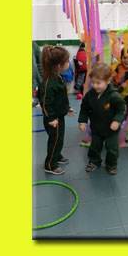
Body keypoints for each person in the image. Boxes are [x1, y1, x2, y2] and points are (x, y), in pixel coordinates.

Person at [78, 62, 126, 175]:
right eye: (93, 82)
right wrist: (82, 121)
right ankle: (94, 161)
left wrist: (117, 120)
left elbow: (121, 110)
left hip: (111, 131)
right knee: (94, 147)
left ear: (108, 81)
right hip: (96, 128)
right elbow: (84, 108)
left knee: (112, 149)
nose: (95, 86)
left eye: (98, 83)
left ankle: (111, 164)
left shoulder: (114, 96)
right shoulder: (90, 95)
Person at [38, 46, 75, 175]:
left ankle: (57, 155)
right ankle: (50, 165)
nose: (69, 63)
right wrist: (51, 118)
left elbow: (60, 98)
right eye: (67, 61)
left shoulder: (58, 77)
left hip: (59, 116)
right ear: (59, 65)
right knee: (55, 140)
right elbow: (45, 103)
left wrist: (67, 108)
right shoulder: (49, 83)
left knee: (59, 139)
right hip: (53, 119)